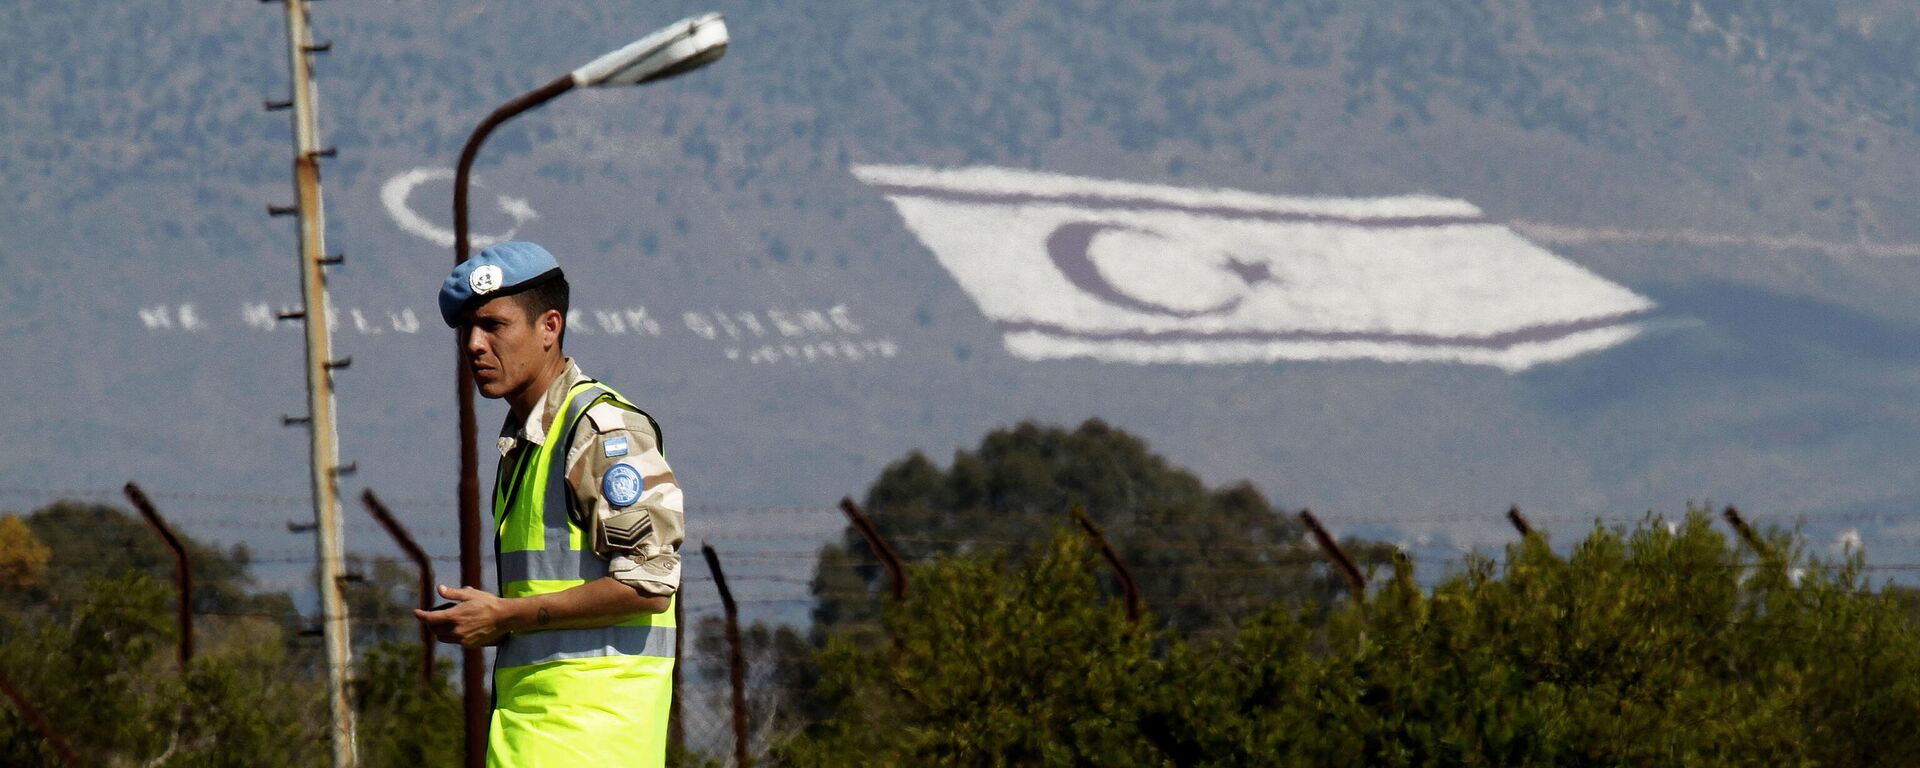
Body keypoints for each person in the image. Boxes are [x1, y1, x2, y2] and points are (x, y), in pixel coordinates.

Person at [415, 241, 683, 767]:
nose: (474, 344)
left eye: (494, 326)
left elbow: (649, 584)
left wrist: (505, 615)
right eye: (465, 329)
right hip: (535, 741)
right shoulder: (527, 441)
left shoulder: (602, 431)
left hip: (591, 745)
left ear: (549, 327)